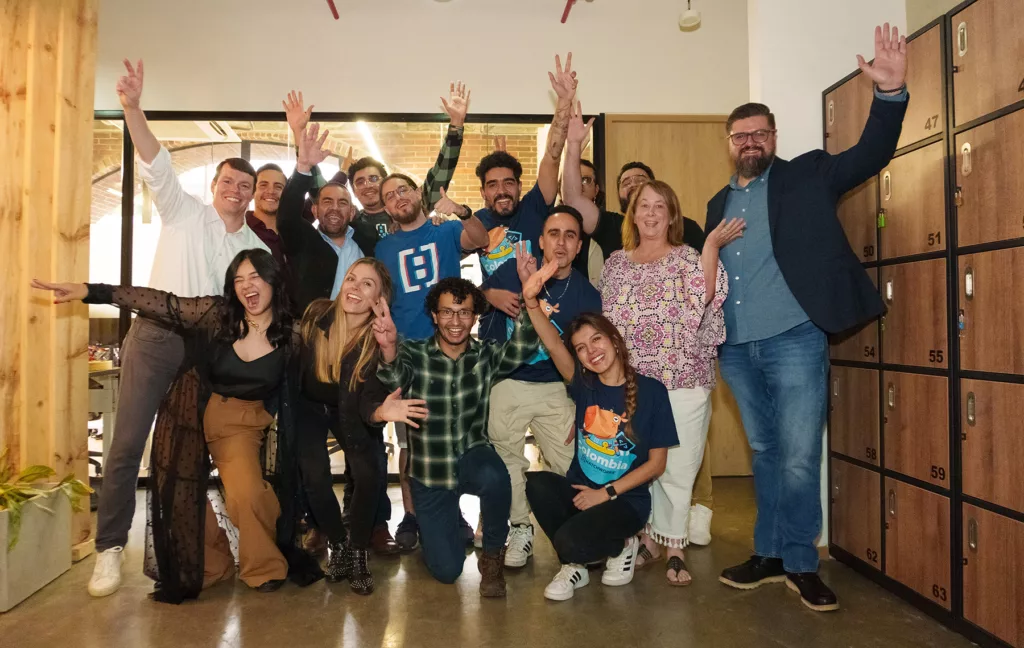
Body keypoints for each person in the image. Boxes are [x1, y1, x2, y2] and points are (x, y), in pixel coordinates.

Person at [711, 24, 909, 612]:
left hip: (795, 340)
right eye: (740, 134)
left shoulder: (808, 175)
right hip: (738, 348)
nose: (750, 141)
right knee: (766, 454)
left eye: (760, 132)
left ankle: (801, 562)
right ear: (730, 143)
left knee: (798, 455)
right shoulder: (716, 205)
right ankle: (769, 554)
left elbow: (870, 154)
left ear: (774, 137)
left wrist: (890, 95)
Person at [34, 249, 319, 602]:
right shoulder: (217, 313)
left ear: (274, 280)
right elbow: (158, 302)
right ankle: (212, 565)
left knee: (247, 493)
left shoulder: (291, 335)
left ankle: (262, 565)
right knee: (180, 493)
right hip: (190, 408)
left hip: (241, 420)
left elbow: (321, 377)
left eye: (256, 277)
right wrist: (90, 291)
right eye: (239, 279)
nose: (248, 286)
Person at [87, 59, 271, 599]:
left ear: (253, 195)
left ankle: (192, 545)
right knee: (127, 445)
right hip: (154, 336)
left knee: (187, 453)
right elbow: (155, 160)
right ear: (214, 186)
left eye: (247, 186)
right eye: (230, 182)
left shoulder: (252, 250)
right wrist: (132, 108)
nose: (237, 191)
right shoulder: (182, 212)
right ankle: (109, 548)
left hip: (208, 353)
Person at [598, 172, 743, 583]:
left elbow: (707, 295)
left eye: (660, 206)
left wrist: (712, 244)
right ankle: (649, 539)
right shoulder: (616, 264)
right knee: (642, 463)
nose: (651, 213)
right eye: (644, 205)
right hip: (634, 384)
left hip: (683, 378)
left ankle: (675, 543)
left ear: (672, 215)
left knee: (679, 466)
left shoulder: (686, 258)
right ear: (632, 213)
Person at [515, 255, 678, 601]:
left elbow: (656, 464)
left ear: (614, 340)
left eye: (597, 341)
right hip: (581, 490)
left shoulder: (652, 392)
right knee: (537, 484)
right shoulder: (583, 384)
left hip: (624, 501)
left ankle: (620, 546)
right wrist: (531, 302)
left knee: (567, 541)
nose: (591, 352)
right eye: (582, 349)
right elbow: (553, 343)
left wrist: (606, 493)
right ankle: (577, 565)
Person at [373, 278, 540, 597]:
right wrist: (388, 347)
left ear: (475, 316)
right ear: (434, 316)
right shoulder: (415, 352)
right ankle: (440, 529)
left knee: (496, 476)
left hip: (470, 456)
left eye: (464, 313)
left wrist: (529, 301)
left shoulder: (486, 355)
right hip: (431, 472)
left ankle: (492, 559)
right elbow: (393, 378)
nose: (455, 321)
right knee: (447, 571)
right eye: (447, 312)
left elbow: (525, 346)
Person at [296, 258, 428, 594]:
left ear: (379, 300)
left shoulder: (375, 339)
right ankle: (338, 544)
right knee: (313, 474)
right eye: (351, 278)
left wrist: (381, 412)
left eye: (366, 284)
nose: (354, 287)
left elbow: (368, 399)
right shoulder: (316, 314)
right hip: (310, 405)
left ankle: (357, 551)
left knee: (369, 473)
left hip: (351, 409)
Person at [478, 209, 601, 568]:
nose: (561, 242)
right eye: (553, 233)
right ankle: (520, 527)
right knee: (506, 458)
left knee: (574, 461)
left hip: (556, 387)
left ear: (578, 246)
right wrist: (495, 294)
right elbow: (474, 296)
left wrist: (584, 410)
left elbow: (592, 362)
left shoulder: (587, 296)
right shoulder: (514, 268)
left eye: (570, 235)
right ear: (541, 240)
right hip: (508, 380)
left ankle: (583, 526)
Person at [374, 172, 490, 549]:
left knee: (452, 439)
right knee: (410, 442)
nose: (397, 198)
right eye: (389, 196)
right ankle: (412, 514)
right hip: (408, 358)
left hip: (451, 354)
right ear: (386, 207)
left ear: (418, 194)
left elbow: (481, 239)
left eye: (402, 190)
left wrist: (461, 210)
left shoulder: (444, 232)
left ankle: (449, 511)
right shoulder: (383, 249)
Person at [476, 53, 575, 292]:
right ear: (482, 192)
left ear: (520, 186)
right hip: (495, 325)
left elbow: (552, 156)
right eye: (493, 185)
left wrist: (563, 103)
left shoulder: (535, 207)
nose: (502, 191)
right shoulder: (476, 224)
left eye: (509, 183)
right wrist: (487, 295)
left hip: (541, 316)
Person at [247, 163, 288, 266]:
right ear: (253, 191)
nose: (271, 191)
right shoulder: (242, 229)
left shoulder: (293, 229)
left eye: (278, 187)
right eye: (263, 185)